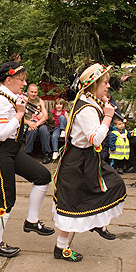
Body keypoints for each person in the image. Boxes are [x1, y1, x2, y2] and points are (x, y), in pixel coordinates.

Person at [52, 63, 127, 261]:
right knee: (70, 204)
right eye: (105, 82)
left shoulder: (90, 102)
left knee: (114, 185)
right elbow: (95, 138)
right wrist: (108, 118)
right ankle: (61, 248)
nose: (108, 86)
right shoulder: (86, 109)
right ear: (94, 85)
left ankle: (97, 222)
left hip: (87, 159)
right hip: (77, 161)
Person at [0, 61, 53, 258]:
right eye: (21, 80)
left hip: (12, 150)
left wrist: (26, 114)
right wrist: (20, 113)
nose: (24, 84)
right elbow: (2, 133)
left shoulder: (11, 97)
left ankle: (31, 221)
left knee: (43, 176)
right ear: (9, 79)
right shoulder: (0, 100)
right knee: (5, 200)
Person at [22, 84, 53, 164]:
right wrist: (29, 123)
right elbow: (20, 117)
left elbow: (45, 116)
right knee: (32, 131)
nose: (33, 94)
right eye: (31, 92)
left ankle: (47, 153)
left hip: (40, 123)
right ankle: (27, 154)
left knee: (44, 130)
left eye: (35, 92)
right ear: (28, 91)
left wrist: (37, 124)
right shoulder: (23, 101)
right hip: (28, 123)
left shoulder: (40, 101)